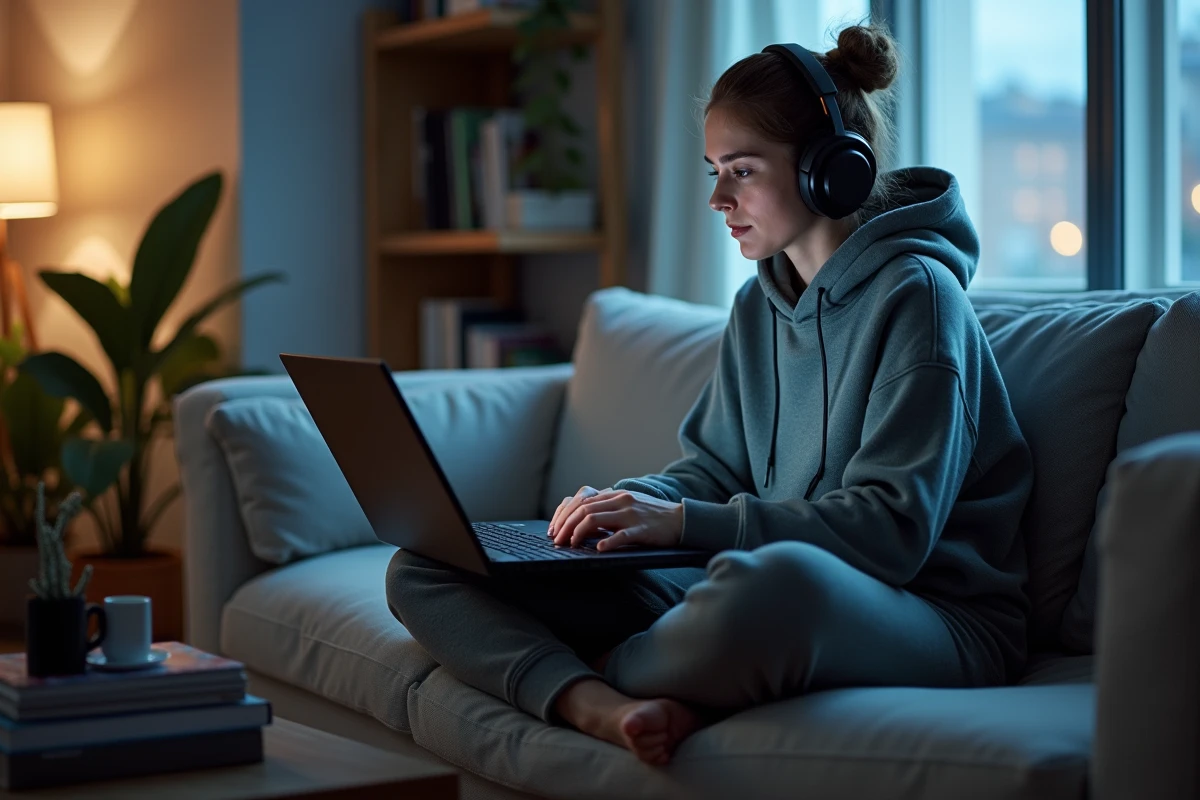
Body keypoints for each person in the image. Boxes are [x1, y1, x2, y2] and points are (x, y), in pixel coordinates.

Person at [386, 22, 1032, 767]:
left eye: (743, 170)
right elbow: (713, 471)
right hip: (735, 581)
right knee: (429, 565)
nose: (719, 198)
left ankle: (578, 668)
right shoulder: (759, 307)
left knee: (776, 587)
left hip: (932, 613)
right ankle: (590, 700)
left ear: (833, 169)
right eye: (712, 171)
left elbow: (889, 535)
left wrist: (684, 524)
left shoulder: (919, 300)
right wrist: (627, 507)